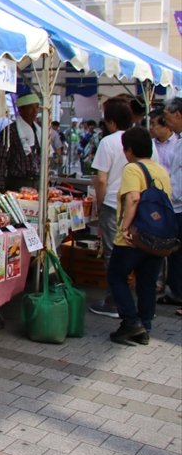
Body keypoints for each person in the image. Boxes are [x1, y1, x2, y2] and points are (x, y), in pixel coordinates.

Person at [89, 98, 160, 318]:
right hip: (143, 207)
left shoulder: (108, 142)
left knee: (113, 255)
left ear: (110, 122)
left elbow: (101, 179)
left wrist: (99, 205)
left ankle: (115, 301)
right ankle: (139, 307)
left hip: (114, 205)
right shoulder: (146, 140)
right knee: (142, 255)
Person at [107, 127, 173, 345]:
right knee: (146, 281)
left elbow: (133, 198)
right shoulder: (161, 170)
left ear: (130, 150)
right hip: (155, 239)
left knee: (116, 276)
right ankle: (144, 326)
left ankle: (130, 322)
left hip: (133, 238)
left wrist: (125, 228)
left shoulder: (132, 169)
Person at [0, 92, 42, 192]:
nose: (35, 111)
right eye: (30, 108)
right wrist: (1, 187)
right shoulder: (10, 131)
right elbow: (1, 160)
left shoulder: (38, 130)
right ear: (21, 110)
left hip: (36, 182)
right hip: (17, 183)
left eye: (36, 107)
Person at [160, 98, 182, 317]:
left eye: (168, 118)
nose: (167, 123)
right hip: (175, 205)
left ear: (179, 115)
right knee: (175, 253)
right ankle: (176, 292)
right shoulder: (178, 140)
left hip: (180, 204)